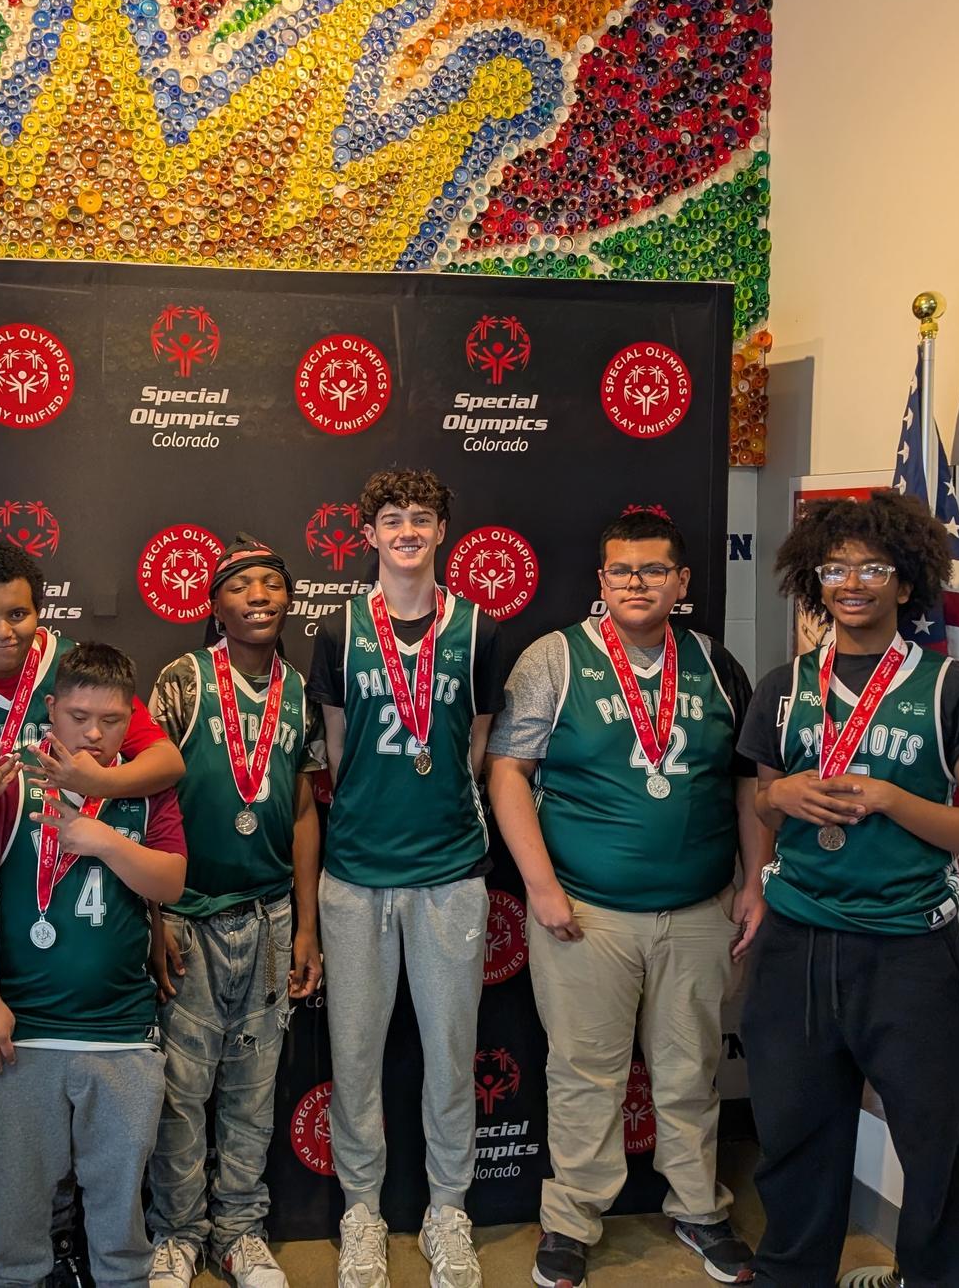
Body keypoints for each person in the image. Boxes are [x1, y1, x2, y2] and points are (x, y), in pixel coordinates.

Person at [0, 542, 185, 1288]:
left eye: (18, 612)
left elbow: (164, 769)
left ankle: (59, 1253)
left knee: (55, 1120)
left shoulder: (76, 672)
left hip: (83, 968)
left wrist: (93, 789)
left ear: (39, 611)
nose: (3, 630)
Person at [736, 491, 959, 1288]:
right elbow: (758, 798)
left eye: (872, 566)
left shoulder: (949, 690)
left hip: (907, 949)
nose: (851, 581)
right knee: (794, 1144)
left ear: (905, 581)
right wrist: (778, 798)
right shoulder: (783, 685)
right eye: (835, 567)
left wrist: (893, 797)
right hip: (796, 944)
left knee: (939, 1152)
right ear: (815, 579)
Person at [487, 508, 767, 1288]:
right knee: (584, 1073)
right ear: (600, 582)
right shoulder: (556, 657)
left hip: (698, 909)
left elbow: (748, 782)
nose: (636, 582)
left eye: (652, 570)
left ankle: (700, 1208)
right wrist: (540, 886)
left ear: (681, 582)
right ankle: (572, 1219)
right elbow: (508, 771)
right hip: (587, 912)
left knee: (691, 1070)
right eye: (620, 570)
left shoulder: (715, 662)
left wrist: (755, 879)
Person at [306, 468, 504, 1288]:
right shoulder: (339, 629)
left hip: (450, 872)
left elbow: (476, 749)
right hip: (355, 876)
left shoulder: (480, 630)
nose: (408, 530)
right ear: (370, 534)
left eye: (422, 516)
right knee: (353, 1056)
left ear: (442, 529)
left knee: (450, 1053)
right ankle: (362, 1212)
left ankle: (447, 1212)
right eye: (392, 518)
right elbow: (338, 751)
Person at [145, 536, 325, 1288]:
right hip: (187, 914)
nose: (259, 594)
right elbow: (146, 798)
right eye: (242, 583)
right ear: (214, 603)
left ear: (290, 601)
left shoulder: (299, 691)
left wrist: (307, 924)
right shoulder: (182, 681)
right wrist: (154, 917)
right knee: (181, 1091)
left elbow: (307, 807)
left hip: (269, 912)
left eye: (272, 583)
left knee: (253, 1086)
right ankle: (177, 1233)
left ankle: (240, 1231)